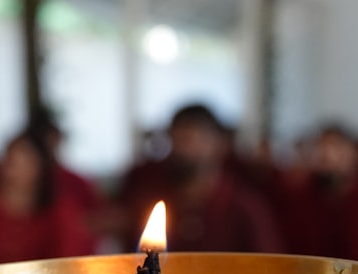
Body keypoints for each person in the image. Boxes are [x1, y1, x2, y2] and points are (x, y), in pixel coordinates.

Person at [115, 103, 283, 253]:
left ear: (219, 145)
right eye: (176, 140)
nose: (182, 151)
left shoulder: (245, 206)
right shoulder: (151, 199)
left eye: (191, 141)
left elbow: (267, 266)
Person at [0, 131, 93, 267]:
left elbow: (70, 261)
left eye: (26, 163)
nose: (16, 171)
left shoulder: (60, 212)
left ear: (41, 169)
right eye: (12, 162)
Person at [284, 125, 358, 264]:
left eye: (335, 147)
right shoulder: (301, 197)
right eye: (321, 147)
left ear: (352, 153)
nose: (326, 154)